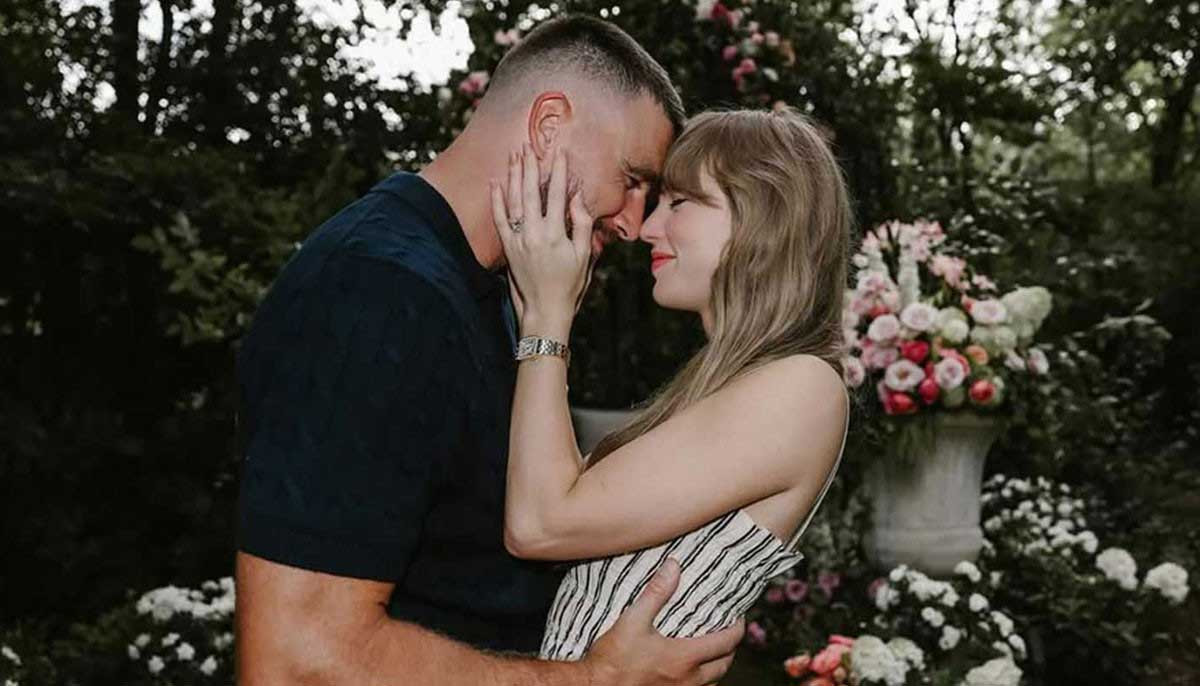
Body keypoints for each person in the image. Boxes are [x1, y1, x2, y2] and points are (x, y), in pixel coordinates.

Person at [234, 15, 744, 686]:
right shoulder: (379, 289)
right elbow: (294, 660)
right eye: (632, 179)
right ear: (549, 126)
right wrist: (595, 679)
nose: (633, 222)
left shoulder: (486, 292)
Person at [489, 107, 852, 660]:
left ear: (764, 217)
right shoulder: (730, 384)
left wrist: (547, 319)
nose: (648, 229)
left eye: (679, 203)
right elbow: (556, 494)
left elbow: (539, 524)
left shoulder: (801, 386)